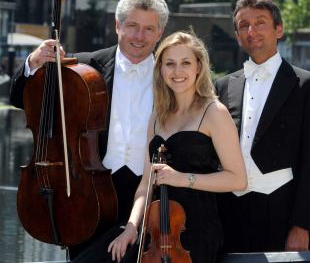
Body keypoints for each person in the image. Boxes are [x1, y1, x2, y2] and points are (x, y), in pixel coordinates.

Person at [9, 0, 169, 259]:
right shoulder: (82, 67)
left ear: (160, 33)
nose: (139, 36)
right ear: (118, 25)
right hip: (88, 193)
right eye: (132, 26)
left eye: (149, 29)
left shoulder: (174, 73)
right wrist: (33, 64)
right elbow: (21, 99)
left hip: (152, 195)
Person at [72, 31, 247, 263]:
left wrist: (182, 178)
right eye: (170, 64)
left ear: (199, 67)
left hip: (193, 232)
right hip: (153, 227)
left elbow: (237, 180)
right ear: (161, 69)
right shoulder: (157, 116)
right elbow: (146, 184)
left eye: (185, 63)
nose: (177, 71)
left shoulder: (214, 112)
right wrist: (132, 227)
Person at [215, 0, 310, 253]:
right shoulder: (222, 86)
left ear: (279, 29)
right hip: (228, 212)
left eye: (260, 22)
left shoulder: (309, 86)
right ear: (237, 35)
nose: (251, 30)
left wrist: (302, 225)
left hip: (281, 212)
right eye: (243, 25)